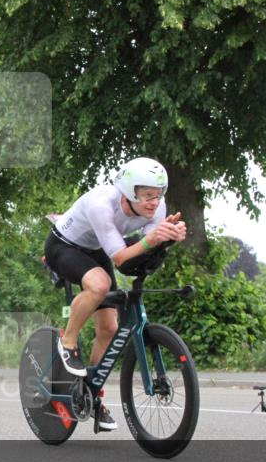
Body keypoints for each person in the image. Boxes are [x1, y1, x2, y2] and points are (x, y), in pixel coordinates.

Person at [43, 157, 187, 430]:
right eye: (147, 195)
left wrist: (167, 239)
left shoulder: (157, 207)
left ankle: (91, 396)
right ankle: (68, 341)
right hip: (64, 245)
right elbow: (121, 258)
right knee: (99, 285)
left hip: (97, 247)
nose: (153, 202)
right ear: (130, 191)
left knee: (109, 328)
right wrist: (152, 239)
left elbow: (142, 255)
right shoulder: (102, 204)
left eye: (158, 195)